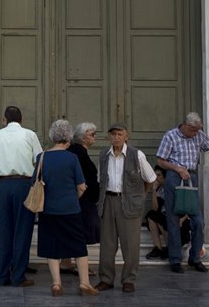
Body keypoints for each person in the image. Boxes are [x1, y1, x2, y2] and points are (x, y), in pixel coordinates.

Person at [156, 112, 209, 274]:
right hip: (175, 177)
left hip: (191, 177)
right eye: (194, 130)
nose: (196, 133)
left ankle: (194, 257)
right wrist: (177, 168)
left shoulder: (198, 135)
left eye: (198, 130)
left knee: (198, 221)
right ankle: (174, 260)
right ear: (186, 126)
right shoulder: (171, 136)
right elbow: (160, 160)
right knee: (173, 219)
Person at [34, 120, 99, 297]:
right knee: (79, 247)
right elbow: (82, 186)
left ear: (52, 136)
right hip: (70, 208)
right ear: (69, 136)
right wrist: (73, 199)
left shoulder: (42, 157)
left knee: (52, 246)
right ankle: (84, 284)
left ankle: (56, 284)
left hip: (48, 209)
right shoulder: (72, 158)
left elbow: (36, 183)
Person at [94, 123, 157, 293]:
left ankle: (129, 279)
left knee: (130, 244)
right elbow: (101, 180)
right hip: (108, 200)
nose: (116, 137)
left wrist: (140, 196)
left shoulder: (137, 155)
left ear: (126, 136)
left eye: (120, 134)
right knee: (107, 243)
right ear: (109, 136)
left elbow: (150, 178)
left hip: (129, 203)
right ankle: (106, 279)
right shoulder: (103, 155)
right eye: (113, 134)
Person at [0, 106, 42, 287]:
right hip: (24, 184)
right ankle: (18, 276)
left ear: (5, 119)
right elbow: (40, 158)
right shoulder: (29, 135)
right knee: (22, 231)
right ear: (21, 119)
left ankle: (2, 276)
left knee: (3, 231)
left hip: (3, 185)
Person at [61, 122, 101, 276]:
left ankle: (66, 262)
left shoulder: (76, 152)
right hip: (81, 199)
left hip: (79, 198)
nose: (95, 137)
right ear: (82, 137)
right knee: (80, 232)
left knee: (74, 231)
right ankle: (79, 265)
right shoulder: (78, 153)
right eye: (92, 134)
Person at [144, 165, 168, 260]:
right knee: (151, 215)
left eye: (159, 175)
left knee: (160, 219)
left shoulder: (170, 187)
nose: (156, 178)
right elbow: (155, 208)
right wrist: (153, 190)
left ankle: (169, 247)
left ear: (164, 177)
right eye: (155, 175)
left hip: (172, 218)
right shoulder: (159, 189)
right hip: (163, 217)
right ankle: (158, 247)